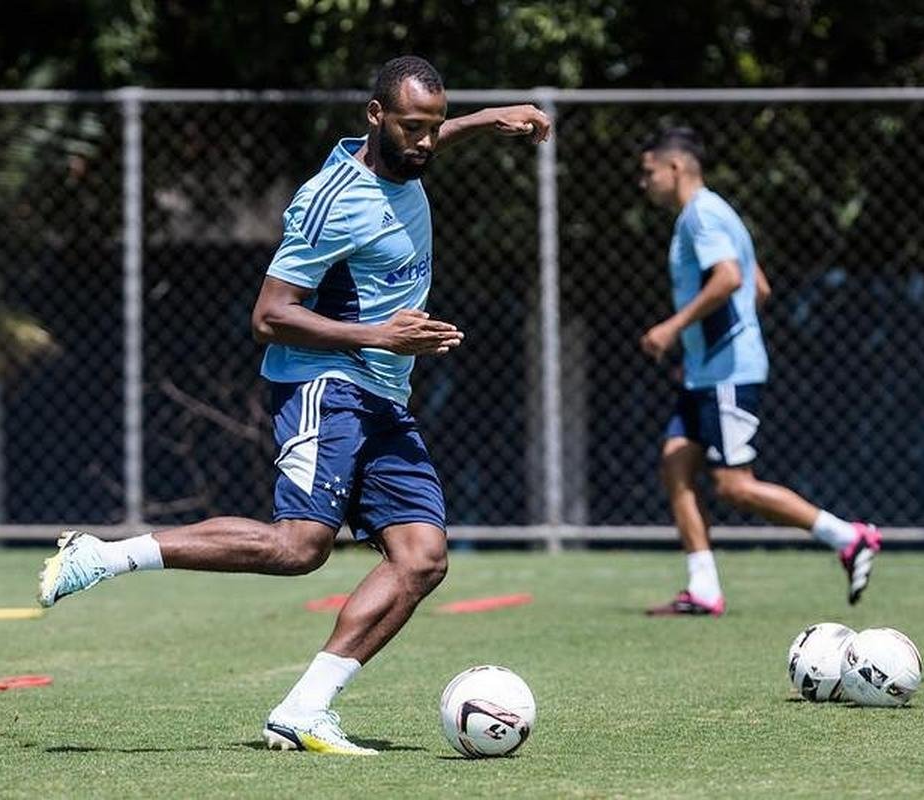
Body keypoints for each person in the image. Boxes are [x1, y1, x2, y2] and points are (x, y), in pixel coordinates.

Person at [36, 56, 550, 754]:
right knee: (298, 546)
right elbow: (270, 314)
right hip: (323, 382)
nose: (426, 141)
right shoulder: (332, 199)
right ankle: (105, 555)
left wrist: (489, 120)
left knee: (421, 556)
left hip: (381, 394)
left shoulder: (407, 157)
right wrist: (380, 333)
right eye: (412, 127)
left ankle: (304, 709)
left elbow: (431, 138)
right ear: (375, 117)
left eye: (433, 126)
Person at [637, 127, 880, 617]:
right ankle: (703, 588)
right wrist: (704, 346)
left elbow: (730, 279)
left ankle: (848, 537)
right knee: (675, 462)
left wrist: (673, 328)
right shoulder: (716, 213)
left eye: (649, 173)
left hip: (726, 373)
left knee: (734, 486)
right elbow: (759, 288)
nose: (644, 184)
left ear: (676, 167)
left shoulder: (702, 215)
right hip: (711, 368)